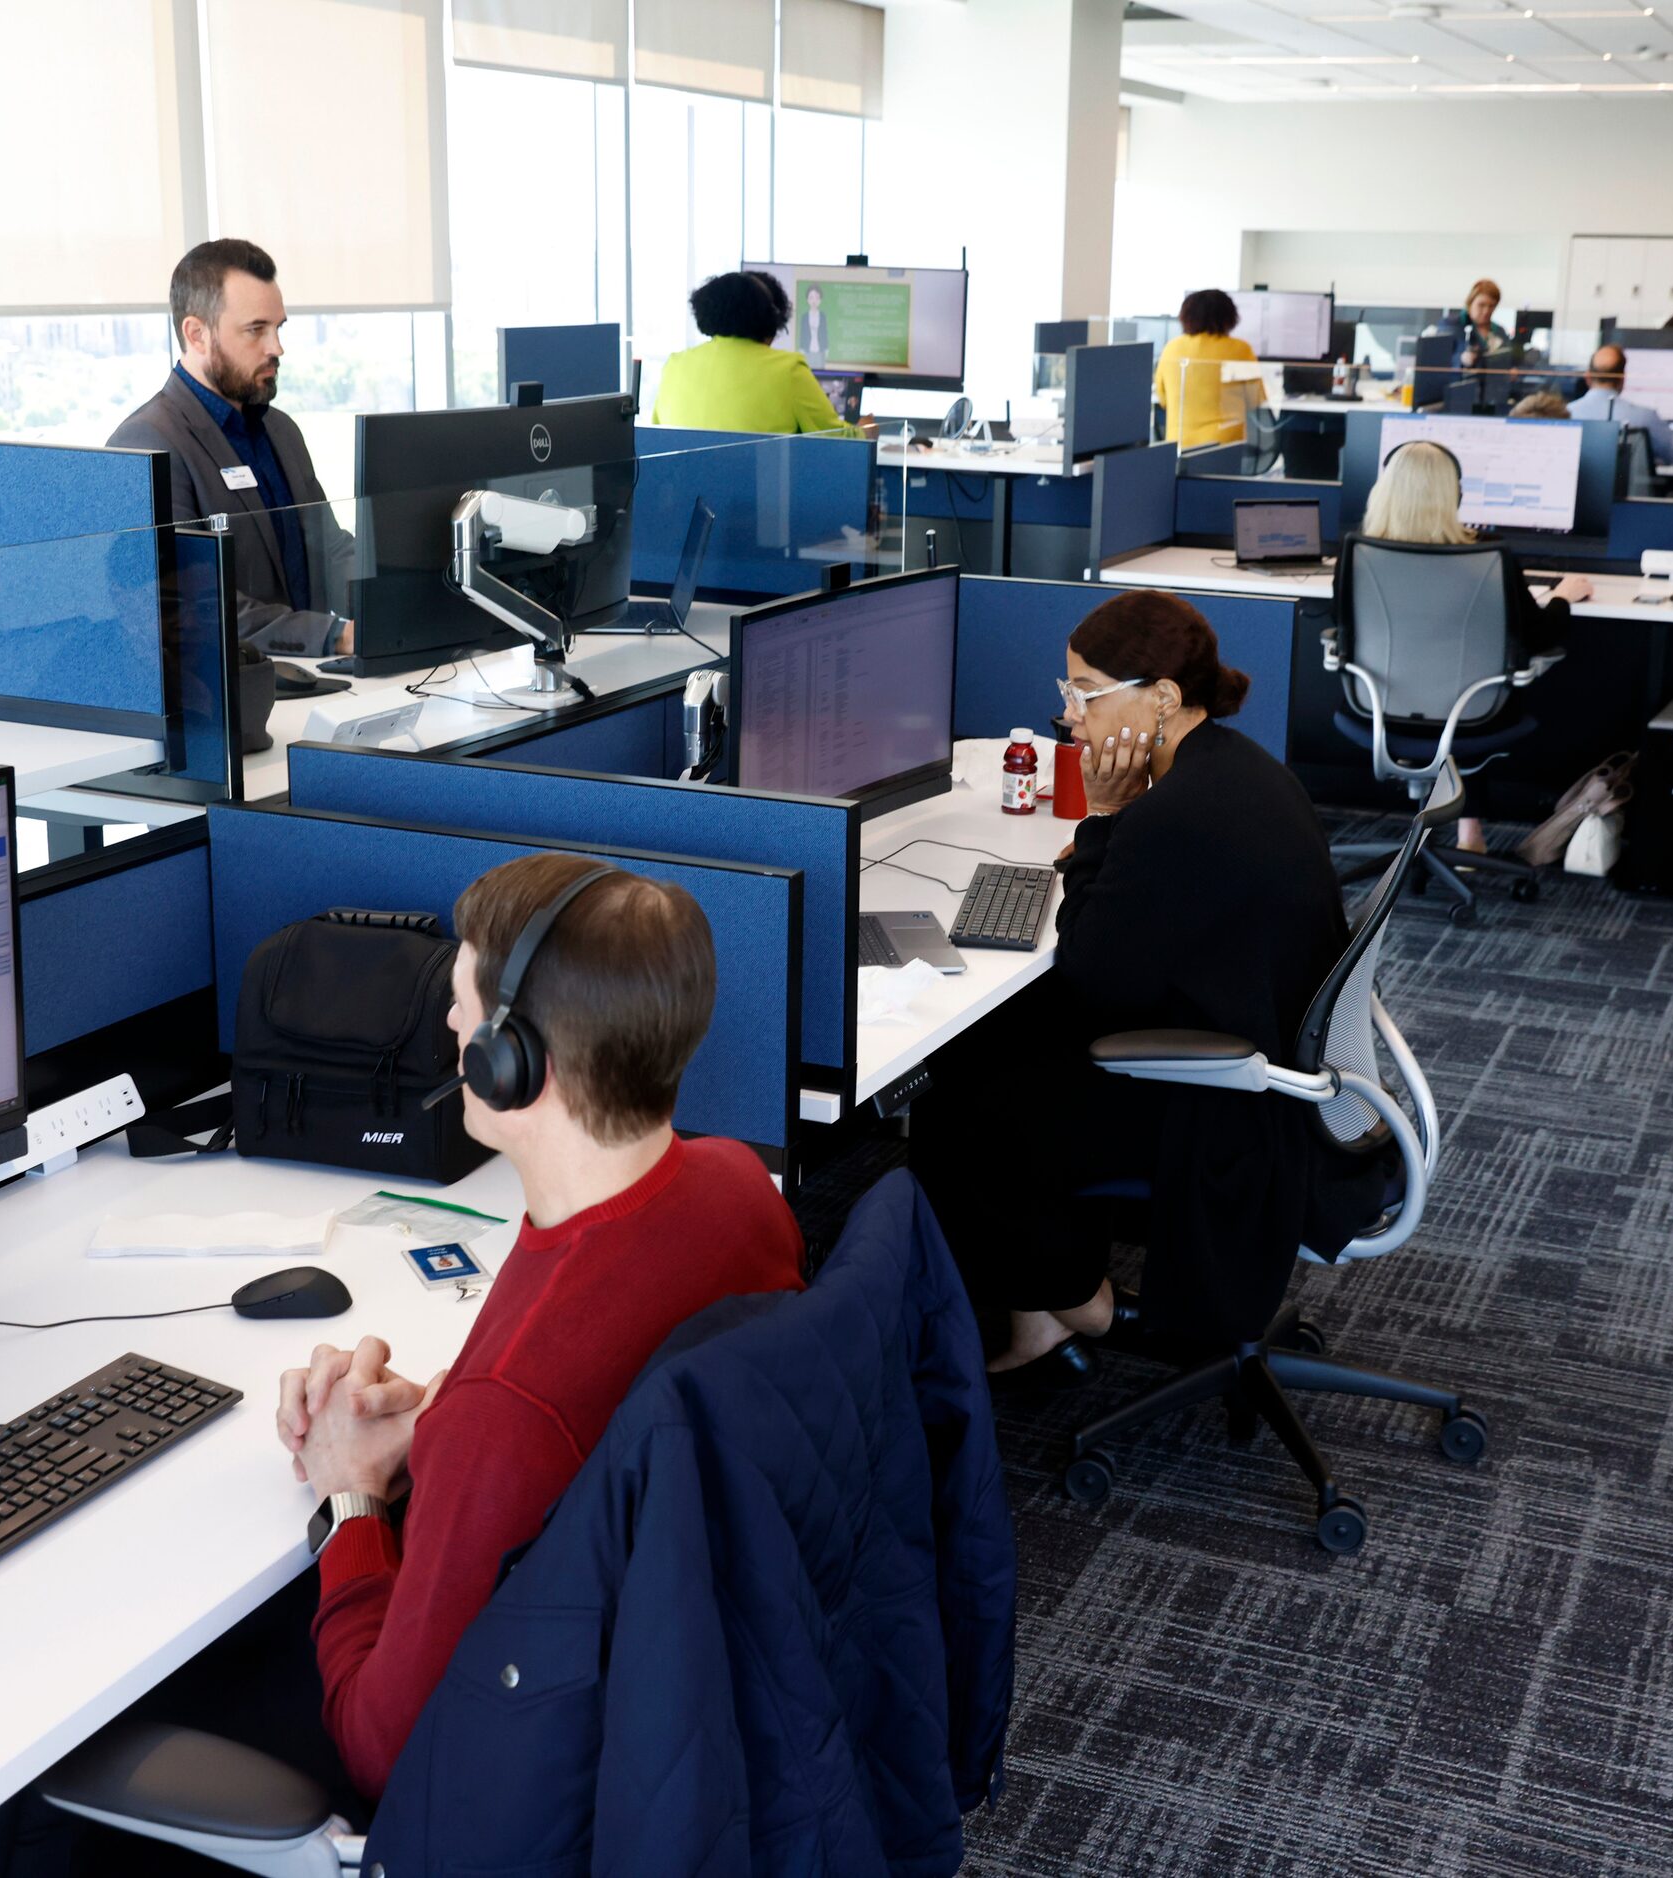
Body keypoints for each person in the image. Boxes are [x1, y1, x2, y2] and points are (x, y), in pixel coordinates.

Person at [276, 854, 806, 1797]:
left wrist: (351, 1491)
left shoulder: (510, 1417)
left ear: (512, 1061)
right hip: (704, 1687)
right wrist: (437, 1412)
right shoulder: (735, 1188)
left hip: (522, 1783)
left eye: (462, 1005)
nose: (447, 1023)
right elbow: (616, 1374)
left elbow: (385, 1752)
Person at [906, 594, 1381, 1373]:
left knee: (964, 1095)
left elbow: (1092, 975)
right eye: (1067, 692)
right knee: (1001, 1046)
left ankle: (1083, 1311)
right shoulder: (1231, 768)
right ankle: (1039, 1305)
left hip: (1229, 1112)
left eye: (1085, 693)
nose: (1069, 716)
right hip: (1270, 1072)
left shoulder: (1180, 814)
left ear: (1161, 697)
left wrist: (1101, 817)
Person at [109, 238, 358, 659]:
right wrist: (335, 635)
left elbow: (329, 549)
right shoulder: (147, 443)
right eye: (256, 330)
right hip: (230, 697)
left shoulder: (281, 430)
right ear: (197, 334)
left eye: (278, 328)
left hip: (315, 679)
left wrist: (392, 603)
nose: (276, 347)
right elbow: (196, 605)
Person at [1360, 441, 1591, 853]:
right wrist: (1563, 596)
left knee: (1458, 678)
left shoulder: (1358, 554)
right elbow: (1539, 635)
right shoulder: (1486, 555)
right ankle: (1470, 835)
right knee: (1475, 679)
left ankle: (1464, 832)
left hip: (1378, 711)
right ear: (1455, 494)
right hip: (1474, 716)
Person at [649, 270, 858, 435]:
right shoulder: (788, 370)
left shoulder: (674, 365)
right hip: (759, 488)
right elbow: (834, 438)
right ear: (770, 319)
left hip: (683, 488)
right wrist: (866, 430)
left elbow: (656, 435)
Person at [1572, 343, 1673, 475]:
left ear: (1588, 377)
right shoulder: (1644, 418)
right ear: (1622, 379)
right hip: (1633, 506)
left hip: (1580, 508)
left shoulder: (1566, 415)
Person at [1152, 288, 1259, 449]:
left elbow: (1163, 399)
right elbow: (1254, 399)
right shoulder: (1240, 349)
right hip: (1224, 445)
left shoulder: (1171, 348)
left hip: (1178, 445)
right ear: (1230, 317)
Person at [1457, 277, 1516, 373]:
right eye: (1481, 305)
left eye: (1491, 306)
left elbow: (1510, 360)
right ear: (1470, 302)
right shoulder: (1453, 325)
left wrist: (1512, 370)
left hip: (1495, 385)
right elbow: (1443, 357)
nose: (1486, 311)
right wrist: (1461, 359)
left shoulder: (1499, 331)